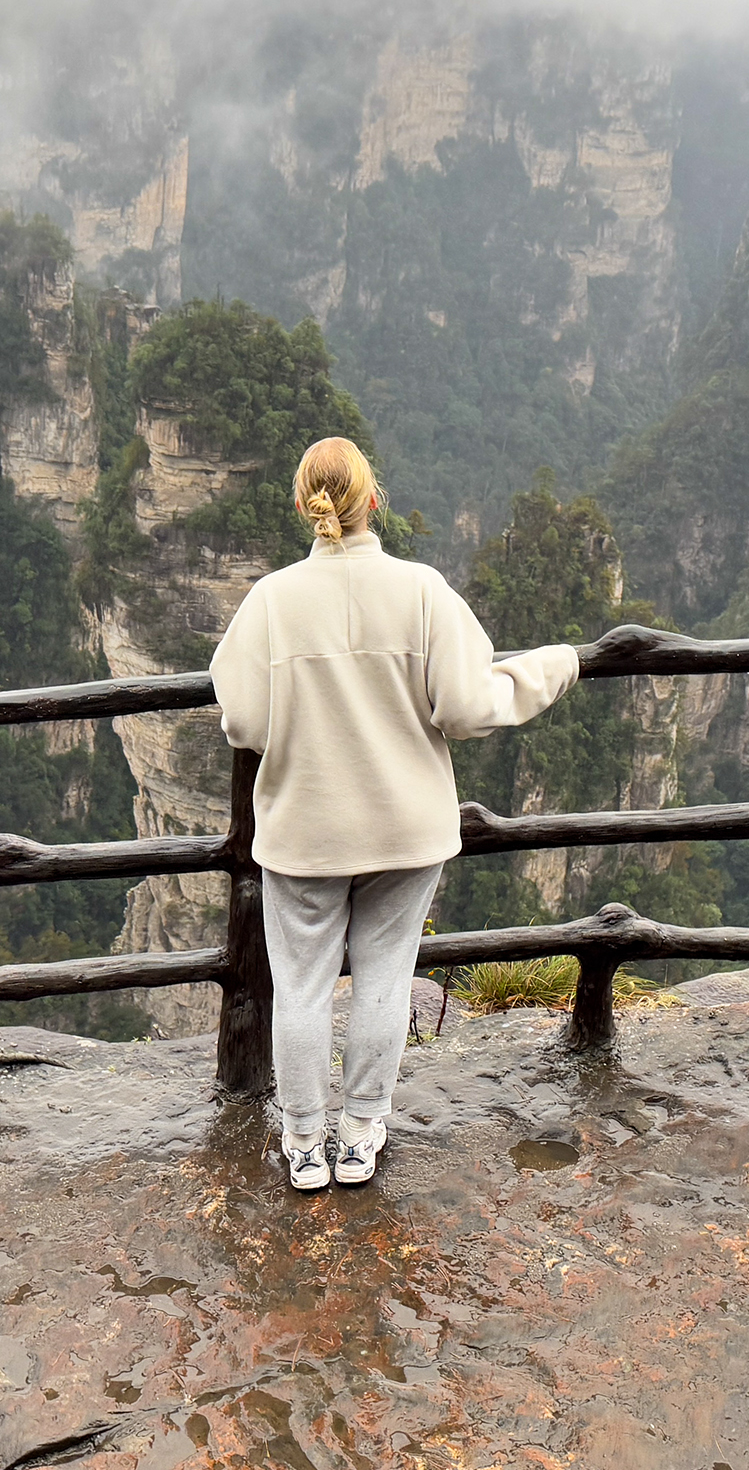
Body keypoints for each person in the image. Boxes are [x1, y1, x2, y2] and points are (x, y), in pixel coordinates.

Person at [211, 437, 581, 1191]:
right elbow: (471, 706)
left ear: (303, 506)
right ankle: (360, 1136)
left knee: (303, 988)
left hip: (305, 833)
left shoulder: (271, 603)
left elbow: (243, 723)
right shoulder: (421, 592)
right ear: (371, 501)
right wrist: (557, 664)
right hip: (406, 830)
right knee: (384, 980)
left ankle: (305, 1143)